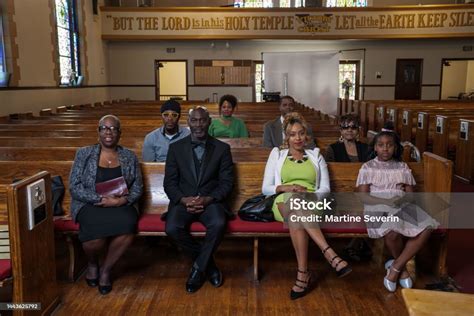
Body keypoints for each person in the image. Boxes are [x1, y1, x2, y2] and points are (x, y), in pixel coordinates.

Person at [262, 112, 352, 300]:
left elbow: (325, 189)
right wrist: (288, 187)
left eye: (301, 133)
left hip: (312, 202)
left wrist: (309, 195)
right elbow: (266, 188)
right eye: (293, 134)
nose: (298, 138)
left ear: (307, 135)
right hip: (282, 200)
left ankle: (303, 274)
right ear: (286, 137)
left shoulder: (316, 155)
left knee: (296, 214)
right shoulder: (277, 154)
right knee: (294, 202)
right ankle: (330, 254)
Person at [356, 130, 438, 292]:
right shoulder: (368, 167)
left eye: (390, 145)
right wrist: (386, 202)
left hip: (401, 205)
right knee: (392, 231)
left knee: (427, 226)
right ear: (375, 148)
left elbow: (410, 195)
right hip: (376, 207)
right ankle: (402, 270)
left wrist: (401, 201)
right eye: (381, 145)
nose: (385, 149)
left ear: (395, 148)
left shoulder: (402, 167)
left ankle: (396, 267)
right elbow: (364, 197)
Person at [69, 115, 143, 295]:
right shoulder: (84, 154)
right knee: (95, 238)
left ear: (120, 133)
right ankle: (92, 263)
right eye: (104, 128)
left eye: (113, 128)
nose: (109, 132)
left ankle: (106, 269)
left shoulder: (129, 156)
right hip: (90, 204)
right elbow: (74, 185)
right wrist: (99, 199)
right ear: (98, 131)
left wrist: (121, 200)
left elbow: (138, 186)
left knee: (128, 225)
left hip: (121, 204)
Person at [164, 106, 234, 293]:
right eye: (194, 120)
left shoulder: (222, 149)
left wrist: (208, 199)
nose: (198, 125)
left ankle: (197, 270)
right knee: (171, 228)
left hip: (211, 202)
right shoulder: (175, 148)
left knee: (219, 223)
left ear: (209, 122)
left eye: (202, 120)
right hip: (183, 202)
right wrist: (184, 200)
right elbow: (169, 183)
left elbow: (227, 183)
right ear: (188, 123)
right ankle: (208, 265)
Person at [325, 114, 370, 262]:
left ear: (358, 130)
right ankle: (356, 244)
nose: (349, 130)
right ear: (340, 130)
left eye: (353, 127)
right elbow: (331, 174)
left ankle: (354, 244)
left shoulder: (366, 148)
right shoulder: (333, 149)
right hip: (340, 191)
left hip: (363, 190)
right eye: (345, 127)